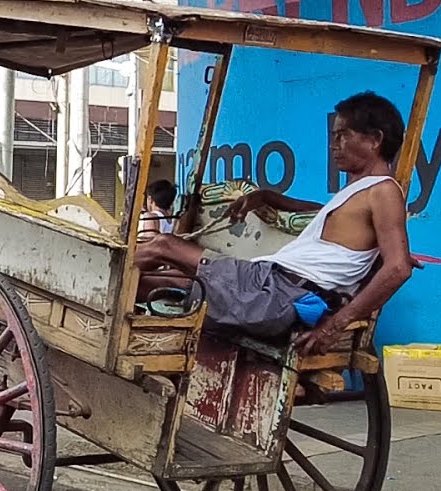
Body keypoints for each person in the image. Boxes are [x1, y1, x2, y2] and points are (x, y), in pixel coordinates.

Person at [135, 91, 414, 355]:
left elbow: (398, 267)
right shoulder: (359, 192)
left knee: (163, 244)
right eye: (334, 136)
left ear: (375, 139)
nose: (334, 145)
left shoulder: (383, 191)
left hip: (276, 294)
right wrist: (266, 197)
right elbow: (321, 213)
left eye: (343, 136)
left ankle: (99, 283)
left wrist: (334, 326)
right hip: (271, 288)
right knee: (149, 283)